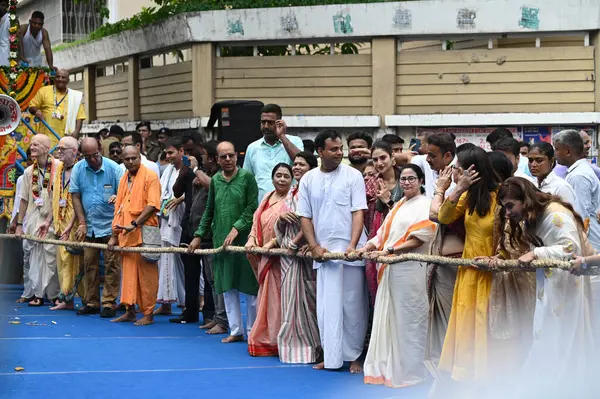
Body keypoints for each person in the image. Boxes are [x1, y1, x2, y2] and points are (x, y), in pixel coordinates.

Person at [496, 178, 595, 392]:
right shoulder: (535, 216)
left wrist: (536, 253)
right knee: (545, 334)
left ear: (525, 200)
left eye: (510, 206)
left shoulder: (555, 214)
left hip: (568, 285)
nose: (507, 213)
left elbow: (571, 249)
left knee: (560, 336)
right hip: (551, 283)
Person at [357, 164, 437, 388]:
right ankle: (387, 369)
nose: (407, 183)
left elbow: (422, 236)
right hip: (391, 269)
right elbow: (383, 232)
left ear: (421, 181)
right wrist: (368, 247)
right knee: (390, 316)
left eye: (412, 179)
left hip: (412, 269)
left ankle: (411, 371)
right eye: (403, 179)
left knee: (409, 319)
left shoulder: (426, 204)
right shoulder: (400, 204)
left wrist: (391, 250)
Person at [297, 129, 369, 373]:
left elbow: (358, 211)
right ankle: (332, 356)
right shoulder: (308, 179)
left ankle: (354, 356)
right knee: (327, 307)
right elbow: (305, 216)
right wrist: (314, 246)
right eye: (334, 149)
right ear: (320, 152)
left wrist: (352, 245)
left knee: (353, 305)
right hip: (324, 253)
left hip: (350, 253)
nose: (340, 153)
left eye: (341, 149)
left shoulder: (353, 176)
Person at [436, 146, 500, 382]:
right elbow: (443, 217)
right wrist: (458, 188)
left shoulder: (500, 196)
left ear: (472, 170)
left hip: (493, 269)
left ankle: (488, 375)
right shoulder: (467, 196)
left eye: (459, 168)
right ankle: (464, 373)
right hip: (470, 268)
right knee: (465, 318)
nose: (455, 172)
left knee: (486, 319)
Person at [188, 141, 259, 343]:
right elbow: (209, 210)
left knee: (250, 288)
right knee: (227, 287)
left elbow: (252, 207)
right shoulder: (216, 180)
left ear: (237, 156)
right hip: (221, 241)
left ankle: (253, 330)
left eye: (231, 155)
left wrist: (237, 228)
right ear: (217, 159)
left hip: (245, 241)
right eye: (223, 156)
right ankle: (235, 330)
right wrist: (198, 235)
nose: (228, 159)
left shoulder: (247, 178)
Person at [171, 139, 223, 329]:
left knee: (210, 277)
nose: (197, 159)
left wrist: (195, 170)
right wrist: (186, 171)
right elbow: (176, 191)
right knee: (190, 273)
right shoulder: (195, 173)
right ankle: (190, 309)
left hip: (207, 232)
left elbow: (215, 188)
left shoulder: (215, 175)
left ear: (210, 157)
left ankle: (210, 314)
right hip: (190, 228)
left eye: (200, 155)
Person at [275, 151, 321, 364]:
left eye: (301, 164)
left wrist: (299, 243)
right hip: (289, 252)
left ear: (311, 167)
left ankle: (311, 347)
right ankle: (290, 347)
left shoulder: (312, 189)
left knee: (307, 301)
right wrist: (282, 220)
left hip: (304, 252)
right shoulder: (293, 191)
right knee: (289, 300)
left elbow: (311, 220)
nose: (296, 167)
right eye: (295, 164)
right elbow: (288, 221)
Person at [108, 145, 161, 326]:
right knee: (129, 275)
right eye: (127, 159)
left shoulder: (150, 176)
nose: (130, 161)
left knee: (147, 276)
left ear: (140, 157)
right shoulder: (124, 178)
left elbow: (153, 205)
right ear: (122, 160)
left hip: (143, 233)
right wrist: (114, 235)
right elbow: (119, 207)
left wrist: (134, 224)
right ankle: (130, 310)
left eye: (134, 158)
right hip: (126, 235)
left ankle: (148, 314)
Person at [71, 138, 123, 318]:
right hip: (89, 226)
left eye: (95, 155)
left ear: (100, 149)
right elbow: (75, 196)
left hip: (110, 226)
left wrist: (117, 197)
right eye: (87, 157)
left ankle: (109, 302)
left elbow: (124, 195)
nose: (92, 160)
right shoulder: (78, 168)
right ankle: (92, 301)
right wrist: (82, 223)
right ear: (82, 155)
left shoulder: (115, 168)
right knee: (89, 264)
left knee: (112, 265)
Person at [245, 163, 293, 356]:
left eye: (286, 176)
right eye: (278, 175)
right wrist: (251, 240)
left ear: (292, 179)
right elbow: (256, 220)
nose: (281, 179)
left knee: (279, 300)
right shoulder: (267, 197)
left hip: (281, 259)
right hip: (263, 255)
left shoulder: (293, 199)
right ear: (272, 178)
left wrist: (272, 243)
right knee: (266, 298)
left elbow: (293, 227)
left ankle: (278, 339)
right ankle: (266, 338)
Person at [14, 134, 60, 307]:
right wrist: (19, 225)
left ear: (47, 148)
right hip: (34, 218)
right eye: (31, 145)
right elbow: (23, 199)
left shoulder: (58, 167)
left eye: (36, 145)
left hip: (53, 218)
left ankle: (54, 295)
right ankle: (38, 294)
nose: (32, 147)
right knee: (35, 257)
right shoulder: (28, 172)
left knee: (52, 256)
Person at [364, 141, 402, 304]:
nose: (379, 163)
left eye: (383, 158)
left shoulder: (406, 180)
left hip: (402, 238)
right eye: (375, 160)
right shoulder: (370, 183)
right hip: (378, 236)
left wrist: (388, 200)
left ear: (393, 158)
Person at [243, 104, 303, 202]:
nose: (266, 126)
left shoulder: (295, 141)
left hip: (289, 206)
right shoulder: (252, 148)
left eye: (270, 123)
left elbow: (300, 162)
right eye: (263, 122)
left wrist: (282, 136)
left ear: (279, 123)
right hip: (262, 207)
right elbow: (247, 181)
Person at [50, 137, 84, 311]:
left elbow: (79, 200)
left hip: (75, 222)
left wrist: (73, 224)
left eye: (63, 149)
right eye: (58, 149)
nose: (59, 152)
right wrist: (49, 220)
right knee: (63, 261)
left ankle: (76, 298)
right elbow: (55, 197)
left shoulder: (81, 169)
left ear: (75, 152)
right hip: (60, 221)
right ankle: (66, 297)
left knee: (74, 261)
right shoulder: (59, 169)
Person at [553, 129, 600, 248]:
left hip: (589, 244)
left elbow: (581, 216)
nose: (555, 153)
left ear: (568, 151)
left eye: (557, 149)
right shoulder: (578, 171)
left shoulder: (577, 176)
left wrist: (579, 249)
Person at [155, 138, 187, 315]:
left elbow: (190, 192)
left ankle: (189, 300)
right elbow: (162, 193)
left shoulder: (188, 170)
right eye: (166, 153)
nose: (168, 156)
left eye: (171, 152)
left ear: (181, 151)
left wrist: (179, 199)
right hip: (167, 219)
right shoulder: (167, 170)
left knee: (184, 262)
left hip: (183, 219)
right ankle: (166, 302)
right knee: (166, 260)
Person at [29, 69, 86, 141]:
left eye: (63, 77)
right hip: (45, 139)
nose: (60, 79)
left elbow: (79, 117)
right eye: (58, 77)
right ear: (54, 79)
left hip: (65, 139)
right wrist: (36, 111)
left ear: (68, 80)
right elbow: (31, 106)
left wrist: (76, 132)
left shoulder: (74, 96)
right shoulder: (44, 91)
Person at [8, 150, 33, 303]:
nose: (32, 163)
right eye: (30, 160)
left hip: (43, 223)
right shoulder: (22, 179)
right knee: (28, 259)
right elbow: (19, 202)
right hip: (25, 223)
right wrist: (15, 222)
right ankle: (28, 292)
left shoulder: (50, 175)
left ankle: (46, 293)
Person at [0, 1, 9, 66]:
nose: (0, 7)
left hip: (7, 53)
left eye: (3, 5)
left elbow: (18, 38)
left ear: (7, 6)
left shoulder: (11, 19)